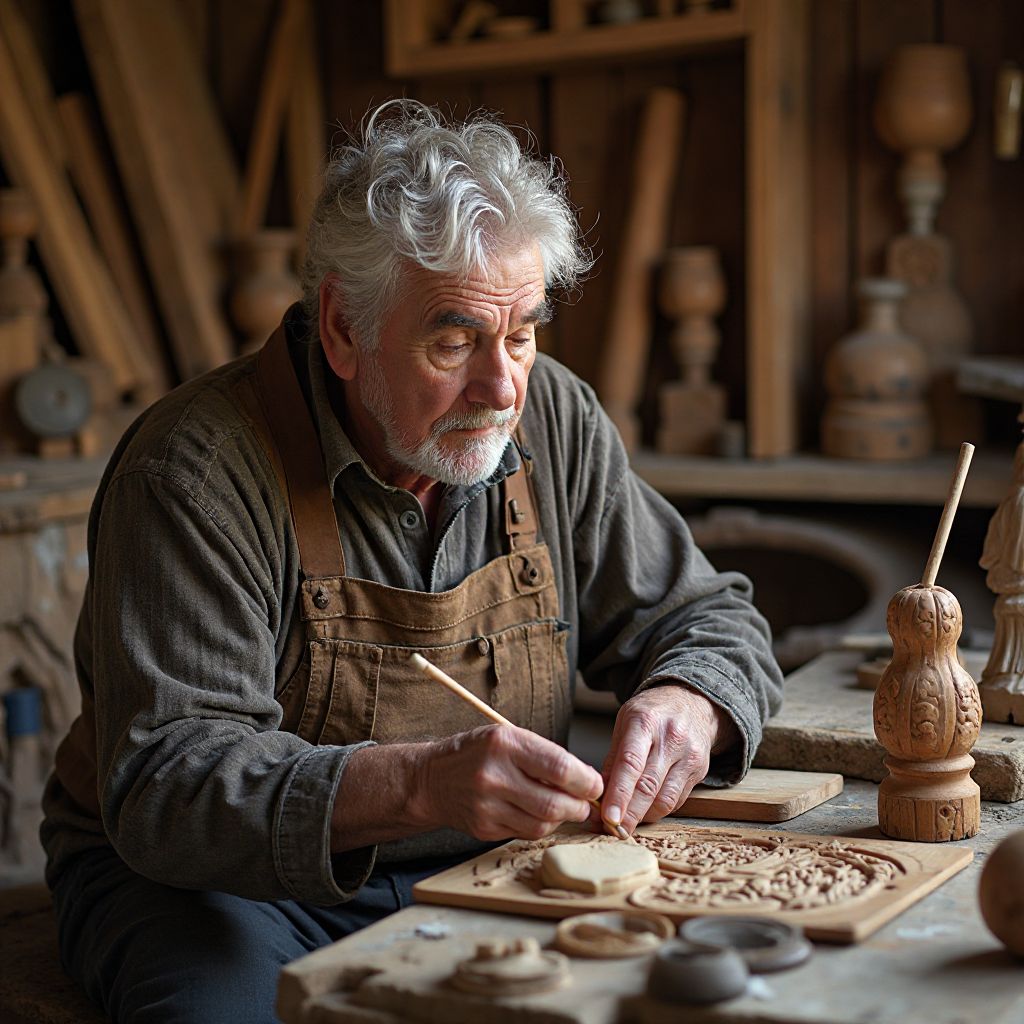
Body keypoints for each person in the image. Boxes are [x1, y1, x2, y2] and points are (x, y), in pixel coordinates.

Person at [41, 99, 783, 1023]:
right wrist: (416, 783)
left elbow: (709, 617)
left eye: (520, 333)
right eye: (455, 340)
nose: (503, 385)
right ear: (345, 329)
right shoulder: (193, 474)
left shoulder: (553, 419)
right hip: (216, 892)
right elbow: (170, 786)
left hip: (480, 864)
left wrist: (690, 702)